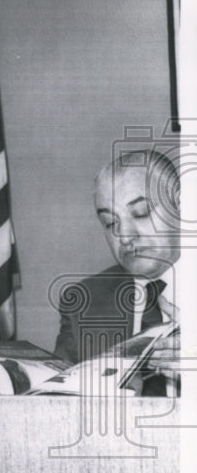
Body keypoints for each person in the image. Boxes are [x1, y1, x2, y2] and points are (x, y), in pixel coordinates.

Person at [52, 149, 180, 395]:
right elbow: (57, 398)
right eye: (110, 223)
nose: (124, 235)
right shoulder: (84, 300)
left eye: (140, 213)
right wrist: (7, 387)